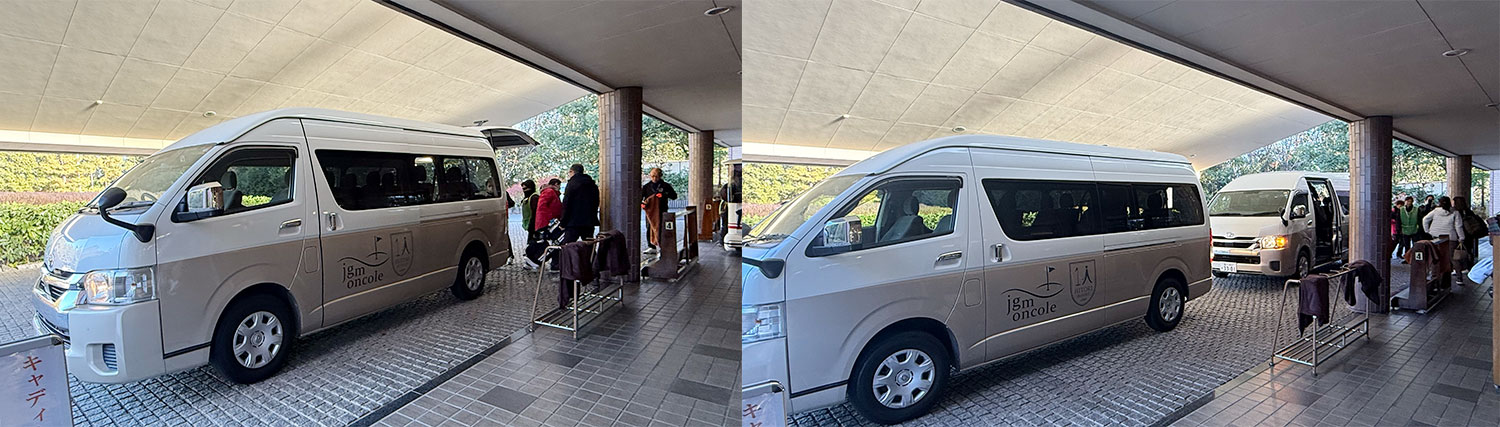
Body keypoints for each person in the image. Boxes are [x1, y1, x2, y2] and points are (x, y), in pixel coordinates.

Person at [1423, 196, 1466, 276]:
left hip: (1436, 236)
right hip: (1451, 236)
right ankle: (1459, 277)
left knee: (1436, 256)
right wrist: (1461, 237)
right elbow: (1458, 226)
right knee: (1453, 257)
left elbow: (1425, 219)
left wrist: (1427, 231)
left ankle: (1435, 275)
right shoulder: (1455, 212)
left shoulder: (1435, 211)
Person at [641, 167, 678, 254]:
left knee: (662, 227)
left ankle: (662, 245)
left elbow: (674, 196)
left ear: (660, 176)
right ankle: (651, 246)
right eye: (652, 176)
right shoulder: (646, 187)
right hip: (650, 212)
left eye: (656, 176)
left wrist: (664, 195)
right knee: (649, 228)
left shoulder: (666, 186)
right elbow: (641, 198)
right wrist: (643, 204)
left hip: (662, 210)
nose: (654, 178)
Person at [560, 164, 600, 243]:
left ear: (572, 171)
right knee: (589, 244)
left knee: (567, 245)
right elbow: (596, 202)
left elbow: (567, 204)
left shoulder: (572, 184)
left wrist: (563, 222)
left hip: (573, 221)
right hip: (589, 221)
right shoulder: (592, 184)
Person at [1396, 196, 1420, 263]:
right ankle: (1407, 259)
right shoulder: (1401, 210)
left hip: (1414, 229)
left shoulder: (1416, 209)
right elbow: (1398, 220)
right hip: (1404, 229)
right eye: (1407, 201)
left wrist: (1419, 228)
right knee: (1406, 245)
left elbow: (1419, 219)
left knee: (1415, 245)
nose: (1408, 203)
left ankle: (1415, 258)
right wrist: (1399, 229)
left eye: (1410, 201)